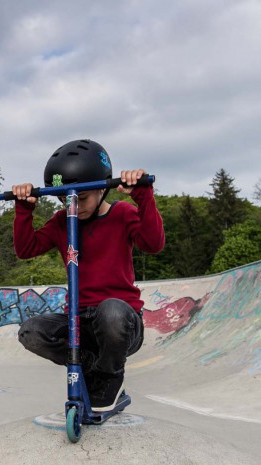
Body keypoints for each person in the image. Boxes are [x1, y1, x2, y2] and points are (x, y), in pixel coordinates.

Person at [11, 139, 164, 412]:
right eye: (64, 199)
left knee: (111, 311)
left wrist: (143, 195)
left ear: (101, 189)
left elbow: (153, 244)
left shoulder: (122, 214)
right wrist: (24, 209)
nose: (73, 207)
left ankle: (109, 378)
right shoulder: (61, 221)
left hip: (122, 324)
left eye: (80, 199)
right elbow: (26, 249)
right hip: (79, 320)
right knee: (31, 332)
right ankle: (92, 363)